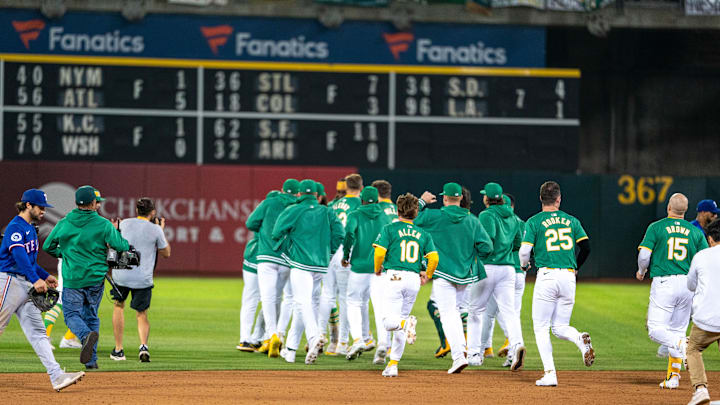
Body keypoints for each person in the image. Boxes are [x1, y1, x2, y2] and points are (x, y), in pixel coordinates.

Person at [0, 189, 84, 391]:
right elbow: (18, 255)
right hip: (8, 282)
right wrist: (35, 278)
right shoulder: (16, 227)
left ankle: (57, 376)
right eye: (40, 207)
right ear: (28, 205)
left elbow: (29, 260)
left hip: (25, 286)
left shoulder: (29, 228)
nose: (44, 211)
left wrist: (44, 275)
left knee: (38, 333)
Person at [44, 185, 130, 370]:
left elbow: (48, 246)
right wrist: (116, 236)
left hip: (73, 278)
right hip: (95, 279)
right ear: (92, 203)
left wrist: (64, 253)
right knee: (91, 316)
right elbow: (122, 246)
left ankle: (84, 337)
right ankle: (91, 360)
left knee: (71, 315)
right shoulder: (104, 224)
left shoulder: (64, 222)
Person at [519, 180, 594, 387]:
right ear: (559, 199)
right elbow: (586, 247)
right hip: (568, 276)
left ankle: (550, 373)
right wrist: (576, 266)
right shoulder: (572, 221)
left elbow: (524, 252)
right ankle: (580, 339)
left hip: (547, 276)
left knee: (541, 327)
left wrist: (524, 266)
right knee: (560, 327)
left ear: (541, 198)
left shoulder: (534, 222)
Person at [416, 182, 493, 374]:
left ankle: (459, 356)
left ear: (444, 198)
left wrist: (422, 202)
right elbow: (487, 248)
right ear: (461, 199)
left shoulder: (435, 217)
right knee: (457, 313)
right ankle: (463, 352)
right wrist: (470, 255)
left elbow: (409, 216)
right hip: (465, 277)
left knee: (448, 314)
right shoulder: (473, 220)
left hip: (443, 274)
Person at [636, 192, 708, 389]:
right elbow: (703, 259)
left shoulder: (656, 227)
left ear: (669, 207)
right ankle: (673, 378)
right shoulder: (695, 232)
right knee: (677, 329)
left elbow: (644, 255)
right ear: (685, 211)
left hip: (664, 282)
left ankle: (682, 344)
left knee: (655, 330)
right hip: (687, 284)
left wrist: (641, 271)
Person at [272, 179, 344, 365]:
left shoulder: (294, 210)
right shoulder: (327, 211)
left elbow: (276, 233)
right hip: (320, 265)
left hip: (300, 264)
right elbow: (340, 234)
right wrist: (328, 253)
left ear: (299, 194)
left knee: (302, 302)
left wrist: (289, 249)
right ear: (316, 195)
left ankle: (314, 338)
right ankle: (290, 350)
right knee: (306, 305)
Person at [373, 193, 438, 377]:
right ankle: (393, 364)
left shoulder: (390, 229)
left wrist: (378, 268)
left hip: (394, 276)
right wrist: (428, 274)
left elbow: (379, 254)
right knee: (402, 321)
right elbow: (434, 257)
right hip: (413, 280)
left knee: (389, 322)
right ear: (416, 212)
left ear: (397, 210)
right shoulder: (423, 233)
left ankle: (406, 323)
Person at [466, 183, 525, 371]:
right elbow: (517, 244)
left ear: (487, 198)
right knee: (509, 312)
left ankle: (475, 354)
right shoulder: (514, 218)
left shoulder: (486, 214)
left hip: (488, 267)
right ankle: (516, 346)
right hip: (508, 268)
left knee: (475, 310)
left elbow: (487, 240)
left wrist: (478, 253)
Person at [44, 188, 106, 350]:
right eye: (97, 202)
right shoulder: (80, 220)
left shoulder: (91, 221)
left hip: (77, 266)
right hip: (72, 265)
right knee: (63, 301)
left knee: (77, 305)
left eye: (99, 202)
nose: (98, 205)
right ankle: (47, 336)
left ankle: (69, 337)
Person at [110, 197, 170, 363]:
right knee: (141, 313)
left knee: (118, 306)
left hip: (122, 271)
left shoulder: (124, 224)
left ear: (136, 210)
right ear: (153, 212)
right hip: (142, 277)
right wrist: (160, 230)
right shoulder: (155, 229)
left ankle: (118, 349)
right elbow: (166, 253)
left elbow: (112, 244)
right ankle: (143, 346)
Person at [246, 179, 299, 357]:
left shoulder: (269, 202)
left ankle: (272, 334)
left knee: (268, 298)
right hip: (286, 258)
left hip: (266, 255)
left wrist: (264, 232)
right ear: (297, 193)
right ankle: (275, 334)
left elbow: (251, 223)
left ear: (283, 190)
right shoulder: (298, 206)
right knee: (281, 297)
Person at [342, 186, 392, 363]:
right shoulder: (385, 216)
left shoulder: (355, 215)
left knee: (354, 303)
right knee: (380, 307)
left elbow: (349, 235)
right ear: (377, 200)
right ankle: (383, 344)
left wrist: (346, 255)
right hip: (379, 269)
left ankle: (358, 340)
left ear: (361, 199)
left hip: (359, 268)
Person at [319, 174, 363, 356]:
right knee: (346, 298)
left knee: (327, 294)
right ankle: (343, 343)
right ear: (361, 187)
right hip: (347, 252)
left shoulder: (333, 205)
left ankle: (318, 337)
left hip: (329, 253)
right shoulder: (361, 205)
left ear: (346, 188)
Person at [480, 193, 526, 364]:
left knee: (487, 314)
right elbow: (523, 247)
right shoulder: (520, 222)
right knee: (513, 313)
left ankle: (480, 351)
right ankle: (512, 353)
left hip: (501, 270)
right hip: (519, 272)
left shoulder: (493, 218)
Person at [237, 190, 280, 352]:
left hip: (256, 256)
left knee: (254, 299)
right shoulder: (278, 216)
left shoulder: (264, 215)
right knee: (271, 299)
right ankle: (256, 337)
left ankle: (250, 338)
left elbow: (251, 223)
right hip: (263, 258)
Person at [685, 219, 720, 405]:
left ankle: (700, 389)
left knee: (693, 349)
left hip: (707, 319)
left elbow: (690, 285)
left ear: (710, 238)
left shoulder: (701, 256)